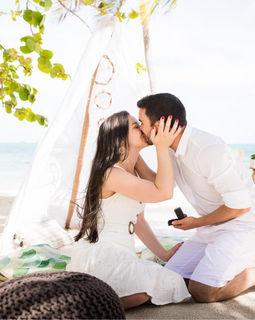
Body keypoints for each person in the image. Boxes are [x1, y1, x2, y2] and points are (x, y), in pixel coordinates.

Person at [136, 93, 255, 303]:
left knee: (202, 291)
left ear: (161, 125)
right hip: (211, 226)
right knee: (170, 280)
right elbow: (162, 186)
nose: (140, 129)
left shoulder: (208, 150)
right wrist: (133, 155)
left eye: (142, 123)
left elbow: (241, 207)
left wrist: (195, 223)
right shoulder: (170, 148)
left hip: (241, 226)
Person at [67, 110, 190, 309]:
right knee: (143, 290)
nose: (143, 128)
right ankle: (78, 304)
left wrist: (164, 255)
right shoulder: (110, 173)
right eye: (136, 126)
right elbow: (164, 192)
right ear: (120, 137)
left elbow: (139, 220)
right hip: (102, 249)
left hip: (124, 250)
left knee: (171, 280)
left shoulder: (133, 171)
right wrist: (161, 146)